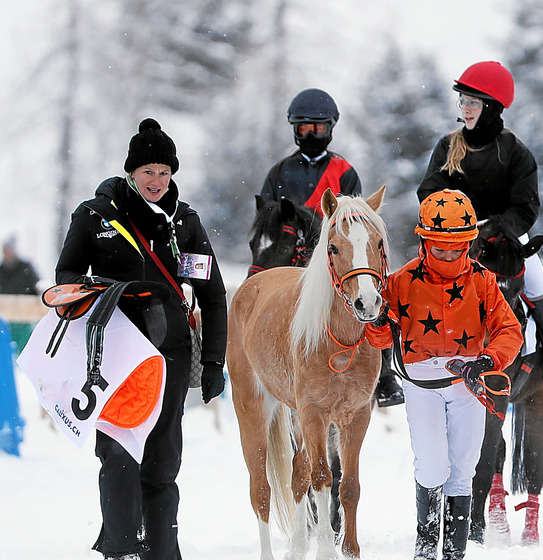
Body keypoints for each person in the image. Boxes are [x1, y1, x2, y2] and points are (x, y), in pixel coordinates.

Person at [55, 118, 227, 560]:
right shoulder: (96, 217)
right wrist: (105, 289)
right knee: (117, 454)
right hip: (114, 354)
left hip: (168, 353)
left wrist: (212, 362)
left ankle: (162, 551)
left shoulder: (184, 223)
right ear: (131, 172)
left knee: (163, 459)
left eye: (165, 173)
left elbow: (212, 293)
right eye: (148, 171)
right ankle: (121, 549)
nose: (156, 181)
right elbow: (65, 278)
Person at [371, 189, 523, 560]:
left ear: (470, 243)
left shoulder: (484, 280)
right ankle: (425, 546)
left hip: (467, 379)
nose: (450, 256)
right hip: (420, 381)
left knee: (464, 466)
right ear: (423, 241)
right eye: (441, 249)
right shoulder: (399, 281)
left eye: (458, 249)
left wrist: (488, 361)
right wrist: (376, 317)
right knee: (432, 462)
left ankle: (455, 551)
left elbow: (510, 331)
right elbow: (377, 339)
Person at [417, 60, 543, 391]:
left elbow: (527, 206)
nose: (465, 108)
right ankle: (404, 360)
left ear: (492, 107)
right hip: (456, 239)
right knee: (415, 282)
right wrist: (457, 216)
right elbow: (427, 191)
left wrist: (496, 226)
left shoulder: (516, 152)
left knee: (538, 282)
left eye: (472, 102)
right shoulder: (447, 146)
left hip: (506, 239)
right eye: (462, 101)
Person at [260, 87, 404, 407]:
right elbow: (266, 219)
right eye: (303, 128)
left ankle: (384, 376)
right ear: (294, 130)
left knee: (375, 294)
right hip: (289, 251)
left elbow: (354, 222)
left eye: (318, 128)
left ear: (330, 129)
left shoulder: (344, 172)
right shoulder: (279, 172)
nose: (311, 134)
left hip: (334, 256)